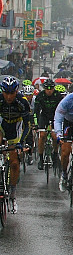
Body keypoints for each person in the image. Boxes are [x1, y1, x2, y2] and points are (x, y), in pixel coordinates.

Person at [0, 76, 32, 214]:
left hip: (16, 127)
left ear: (16, 91)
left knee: (14, 162)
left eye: (11, 93)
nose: (8, 96)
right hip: (2, 125)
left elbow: (27, 125)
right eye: (6, 93)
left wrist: (21, 143)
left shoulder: (22, 102)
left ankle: (12, 193)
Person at [34, 78, 64, 169]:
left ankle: (55, 155)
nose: (49, 90)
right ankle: (41, 158)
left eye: (51, 88)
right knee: (42, 135)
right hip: (44, 116)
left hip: (55, 116)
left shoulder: (57, 96)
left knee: (55, 137)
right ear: (44, 88)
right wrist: (36, 123)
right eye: (47, 88)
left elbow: (62, 110)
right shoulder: (40, 95)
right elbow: (36, 111)